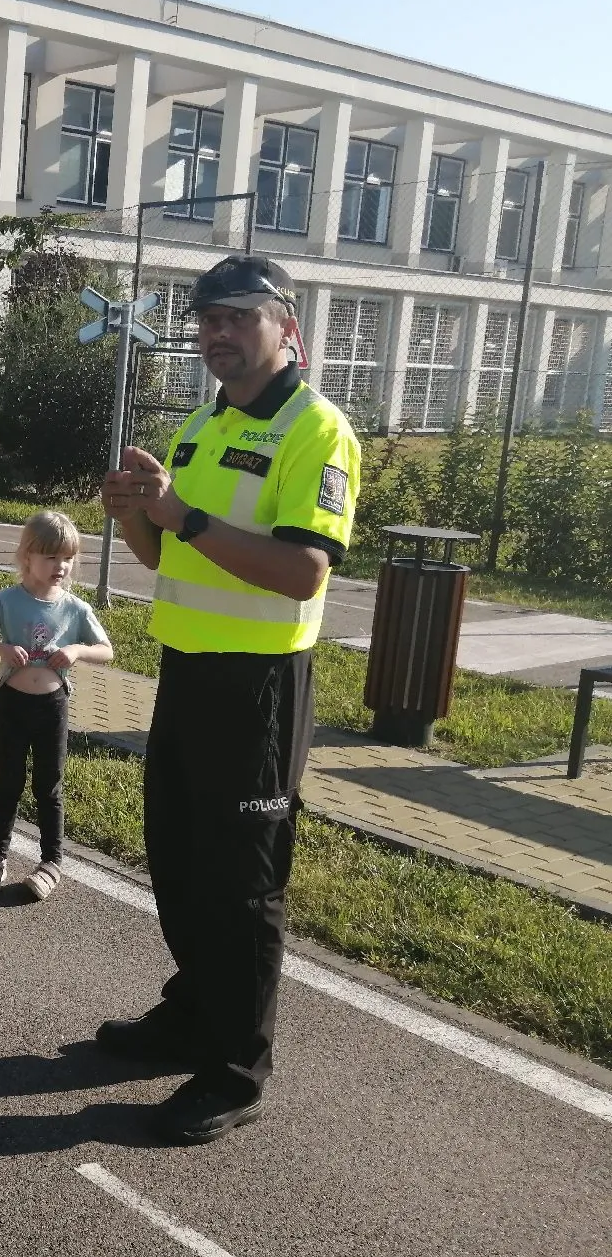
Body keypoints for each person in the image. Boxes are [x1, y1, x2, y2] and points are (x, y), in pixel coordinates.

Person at [97, 255, 361, 1144]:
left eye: (237, 316)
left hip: (259, 688)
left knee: (242, 885)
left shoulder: (314, 429)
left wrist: (182, 516)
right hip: (184, 671)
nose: (216, 332)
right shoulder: (200, 424)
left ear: (285, 325)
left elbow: (302, 572)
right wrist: (134, 511)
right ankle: (192, 1014)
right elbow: (163, 557)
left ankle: (236, 1068)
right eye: (206, 318)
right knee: (178, 860)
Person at [0, 511, 113, 898]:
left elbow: (106, 650)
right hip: (12, 704)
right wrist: (2, 649)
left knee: (49, 785)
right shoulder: (8, 600)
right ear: (27, 556)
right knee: (8, 781)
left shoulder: (76, 608)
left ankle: (51, 861)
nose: (61, 566)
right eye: (51, 557)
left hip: (52, 706)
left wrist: (76, 650)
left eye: (68, 558)